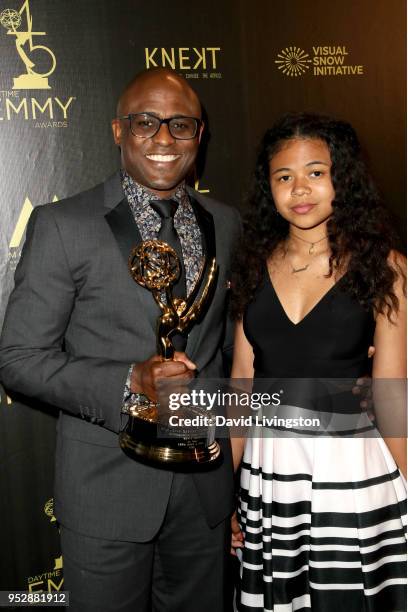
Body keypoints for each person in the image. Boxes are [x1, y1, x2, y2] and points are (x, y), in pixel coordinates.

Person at [0, 68, 241, 612]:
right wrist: (129, 381)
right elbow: (17, 359)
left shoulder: (226, 224)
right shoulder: (64, 224)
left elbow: (228, 348)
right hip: (107, 489)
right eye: (145, 123)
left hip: (205, 487)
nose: (163, 139)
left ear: (199, 135)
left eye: (180, 125)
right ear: (117, 131)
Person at [229, 113, 407, 611]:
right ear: (269, 188)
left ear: (342, 179)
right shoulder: (251, 265)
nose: (299, 188)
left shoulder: (387, 268)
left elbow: (391, 387)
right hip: (267, 473)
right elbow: (242, 382)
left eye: (315, 172)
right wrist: (229, 494)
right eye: (284, 177)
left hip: (351, 469)